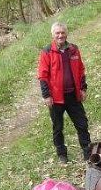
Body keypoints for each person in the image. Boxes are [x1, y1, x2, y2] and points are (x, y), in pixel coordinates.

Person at [38, 22, 91, 163]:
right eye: (57, 33)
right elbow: (43, 75)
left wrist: (83, 88)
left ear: (66, 34)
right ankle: (62, 154)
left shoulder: (74, 49)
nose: (60, 35)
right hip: (56, 98)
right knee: (58, 127)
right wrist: (46, 95)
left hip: (73, 95)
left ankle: (87, 151)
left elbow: (81, 70)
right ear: (53, 35)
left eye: (62, 32)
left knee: (82, 124)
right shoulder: (47, 51)